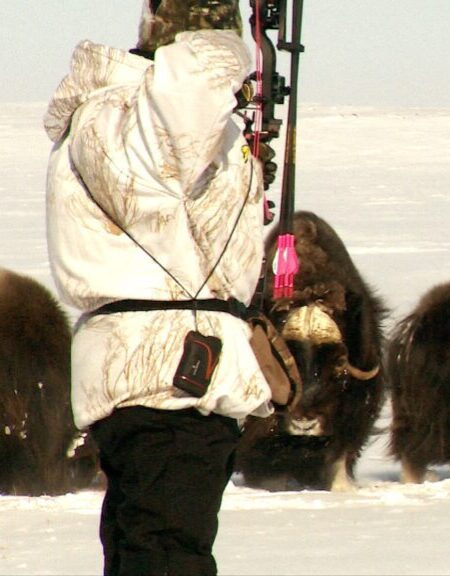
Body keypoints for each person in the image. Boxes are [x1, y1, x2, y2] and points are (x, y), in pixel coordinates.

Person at [44, 1, 276, 574]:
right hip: (169, 377)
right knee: (168, 556)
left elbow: (177, 226)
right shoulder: (143, 115)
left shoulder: (127, 119)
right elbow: (196, 78)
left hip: (155, 372)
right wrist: (227, 39)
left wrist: (238, 166)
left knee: (146, 549)